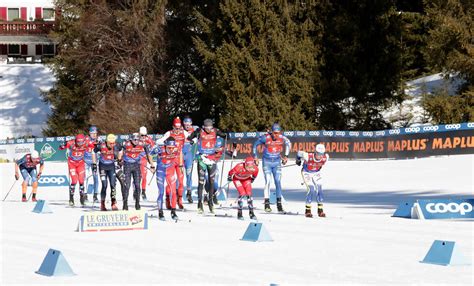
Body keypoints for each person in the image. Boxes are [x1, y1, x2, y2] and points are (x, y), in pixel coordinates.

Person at [187, 119, 227, 214]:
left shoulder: (216, 131)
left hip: (212, 159)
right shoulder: (199, 131)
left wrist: (226, 136)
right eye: (207, 127)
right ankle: (200, 204)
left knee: (211, 182)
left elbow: (225, 136)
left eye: (210, 127)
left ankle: (210, 203)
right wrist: (193, 140)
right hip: (202, 159)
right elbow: (189, 138)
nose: (209, 129)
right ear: (204, 126)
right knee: (201, 182)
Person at [252, 123, 291, 213]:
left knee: (278, 182)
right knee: (268, 181)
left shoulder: (282, 138)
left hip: (277, 162)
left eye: (277, 133)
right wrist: (255, 157)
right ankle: (267, 204)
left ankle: (279, 205)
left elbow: (288, 143)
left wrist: (286, 156)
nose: (276, 135)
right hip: (267, 162)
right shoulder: (265, 137)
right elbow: (255, 145)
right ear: (271, 132)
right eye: (274, 133)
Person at [156, 117, 189, 209]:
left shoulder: (184, 133)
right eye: (176, 128)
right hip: (170, 160)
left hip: (179, 160)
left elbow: (192, 138)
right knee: (171, 181)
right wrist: (164, 143)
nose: (177, 130)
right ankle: (167, 199)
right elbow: (159, 141)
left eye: (179, 128)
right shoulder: (169, 133)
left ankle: (180, 200)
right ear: (173, 127)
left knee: (181, 182)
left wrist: (193, 140)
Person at [117, 133, 155, 210]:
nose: (136, 141)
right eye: (134, 140)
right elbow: (120, 151)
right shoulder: (126, 143)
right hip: (127, 165)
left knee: (137, 185)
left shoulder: (142, 144)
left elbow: (148, 155)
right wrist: (119, 160)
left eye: (137, 140)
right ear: (131, 140)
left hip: (136, 165)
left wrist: (152, 165)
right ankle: (125, 204)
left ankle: (137, 203)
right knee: (127, 185)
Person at [59, 134, 95, 206]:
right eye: (78, 142)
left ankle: (82, 198)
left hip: (80, 163)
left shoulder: (86, 143)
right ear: (76, 141)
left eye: (81, 142)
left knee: (81, 181)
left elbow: (94, 145)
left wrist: (98, 142)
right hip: (72, 163)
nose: (80, 144)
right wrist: (63, 143)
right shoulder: (71, 143)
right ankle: (71, 198)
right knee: (74, 180)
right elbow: (60, 148)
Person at [296, 143, 329, 217]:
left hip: (316, 173)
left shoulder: (326, 157)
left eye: (322, 154)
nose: (320, 156)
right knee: (311, 189)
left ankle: (320, 210)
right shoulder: (308, 156)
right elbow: (299, 153)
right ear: (315, 152)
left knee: (319, 189)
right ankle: (308, 210)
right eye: (318, 154)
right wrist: (298, 160)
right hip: (306, 172)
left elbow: (320, 164)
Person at [152, 137, 180, 220]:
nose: (171, 150)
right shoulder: (160, 149)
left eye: (172, 148)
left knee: (174, 192)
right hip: (160, 172)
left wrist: (179, 164)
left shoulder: (176, 149)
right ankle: (160, 212)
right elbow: (150, 154)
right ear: (165, 146)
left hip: (170, 171)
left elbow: (180, 154)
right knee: (161, 192)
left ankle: (173, 212)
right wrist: (152, 165)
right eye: (169, 148)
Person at [94, 134, 121, 211]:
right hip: (102, 167)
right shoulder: (101, 146)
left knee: (113, 185)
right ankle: (102, 204)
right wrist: (94, 163)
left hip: (111, 167)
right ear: (107, 142)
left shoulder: (117, 145)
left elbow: (121, 150)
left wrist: (119, 159)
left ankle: (113, 203)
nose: (112, 145)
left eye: (113, 143)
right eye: (110, 143)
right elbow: (93, 152)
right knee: (104, 185)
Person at [182, 116, 199, 203]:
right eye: (185, 123)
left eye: (189, 123)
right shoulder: (180, 130)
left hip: (189, 155)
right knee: (180, 175)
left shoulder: (195, 130)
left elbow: (199, 137)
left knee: (189, 175)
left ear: (191, 123)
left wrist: (194, 140)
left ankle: (189, 193)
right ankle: (178, 194)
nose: (187, 125)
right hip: (181, 155)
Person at [138, 126, 155, 201]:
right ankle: (136, 191)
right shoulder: (135, 138)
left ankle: (143, 192)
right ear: (139, 134)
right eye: (142, 135)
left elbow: (153, 148)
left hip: (144, 159)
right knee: (137, 176)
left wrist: (151, 163)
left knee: (144, 176)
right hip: (136, 159)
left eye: (145, 135)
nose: (143, 137)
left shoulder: (148, 139)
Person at [84, 125, 100, 202]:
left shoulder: (99, 139)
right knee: (85, 178)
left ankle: (95, 195)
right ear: (89, 133)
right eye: (92, 133)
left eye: (95, 133)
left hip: (94, 161)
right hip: (86, 161)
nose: (94, 135)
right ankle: (84, 194)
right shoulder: (86, 139)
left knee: (96, 177)